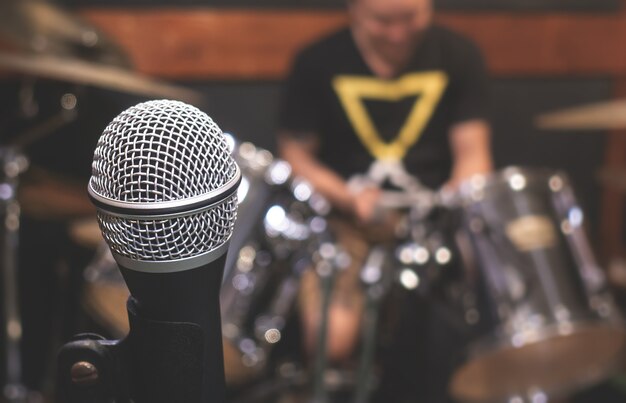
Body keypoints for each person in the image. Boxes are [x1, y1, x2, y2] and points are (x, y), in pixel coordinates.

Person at [276, 0, 493, 401]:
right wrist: (347, 197)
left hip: (435, 222)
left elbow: (473, 153)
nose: (397, 33)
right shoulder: (317, 60)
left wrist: (456, 198)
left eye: (410, 18)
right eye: (382, 21)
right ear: (354, 10)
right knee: (331, 338)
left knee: (483, 322)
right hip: (348, 221)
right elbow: (296, 155)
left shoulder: (459, 54)